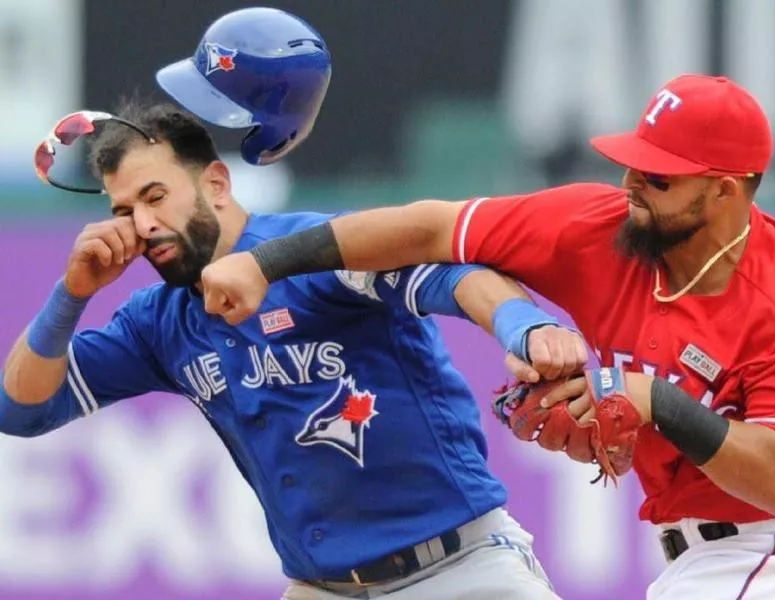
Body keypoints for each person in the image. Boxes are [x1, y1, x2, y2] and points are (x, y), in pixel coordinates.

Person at [2, 8, 587, 600]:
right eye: (124, 211)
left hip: (457, 572)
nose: (143, 224)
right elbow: (21, 410)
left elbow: (448, 275)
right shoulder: (158, 320)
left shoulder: (314, 251)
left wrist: (524, 325)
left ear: (215, 185)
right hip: (322, 589)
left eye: (155, 196)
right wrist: (70, 295)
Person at [202, 73, 775, 599]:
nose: (632, 182)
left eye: (659, 177)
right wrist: (265, 263)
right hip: (700, 560)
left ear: (724, 189)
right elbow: (430, 229)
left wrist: (655, 400)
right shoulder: (598, 228)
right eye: (633, 162)